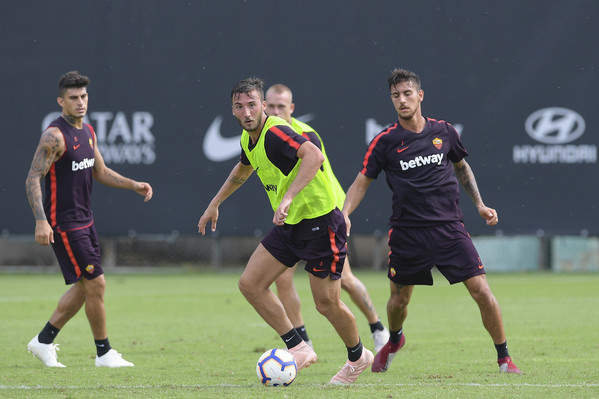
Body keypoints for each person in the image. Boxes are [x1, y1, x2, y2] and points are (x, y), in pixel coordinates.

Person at [342, 68, 521, 374]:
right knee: (398, 302)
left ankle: (504, 357)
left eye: (407, 93)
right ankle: (395, 339)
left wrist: (479, 204)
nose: (402, 100)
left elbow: (462, 168)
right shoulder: (385, 141)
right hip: (407, 233)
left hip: (449, 228)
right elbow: (362, 181)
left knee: (482, 291)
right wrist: (344, 214)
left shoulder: (444, 132)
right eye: (395, 96)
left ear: (420, 95)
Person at [198, 77, 373, 384]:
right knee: (250, 284)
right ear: (234, 111)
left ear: (263, 106)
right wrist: (215, 203)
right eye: (240, 107)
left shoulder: (276, 131)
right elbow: (243, 167)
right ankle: (299, 347)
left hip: (320, 223)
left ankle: (358, 357)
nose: (247, 112)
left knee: (326, 304)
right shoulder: (246, 138)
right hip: (289, 225)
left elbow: (314, 156)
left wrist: (288, 197)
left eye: (253, 105)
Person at [25, 71, 153, 368]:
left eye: (83, 96)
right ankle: (104, 353)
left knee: (87, 286)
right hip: (64, 224)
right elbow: (33, 177)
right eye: (73, 98)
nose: (80, 102)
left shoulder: (89, 131)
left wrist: (134, 184)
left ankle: (43, 341)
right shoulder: (54, 136)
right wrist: (41, 221)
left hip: (86, 220)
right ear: (61, 101)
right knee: (96, 284)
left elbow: (101, 171)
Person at [265, 83, 389, 352]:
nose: (275, 110)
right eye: (271, 106)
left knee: (345, 281)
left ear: (292, 108)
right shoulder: (266, 133)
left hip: (324, 215)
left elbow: (318, 179)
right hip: (294, 217)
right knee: (282, 278)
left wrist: (342, 213)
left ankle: (378, 327)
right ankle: (302, 342)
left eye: (281, 106)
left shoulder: (304, 134)